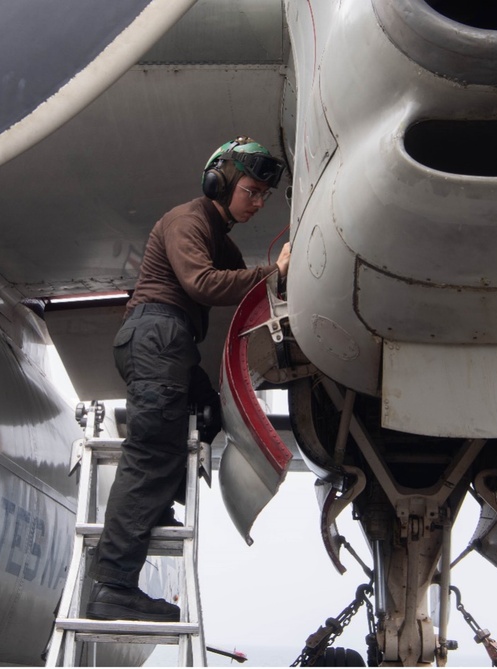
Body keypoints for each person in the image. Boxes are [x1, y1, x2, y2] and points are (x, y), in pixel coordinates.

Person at [86, 137, 292, 622]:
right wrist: (272, 273)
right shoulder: (188, 220)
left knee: (210, 409)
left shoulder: (222, 240)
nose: (257, 202)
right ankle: (113, 585)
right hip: (155, 335)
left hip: (171, 345)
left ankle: (156, 505)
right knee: (150, 454)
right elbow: (203, 284)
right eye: (250, 190)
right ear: (217, 182)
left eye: (264, 195)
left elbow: (251, 294)